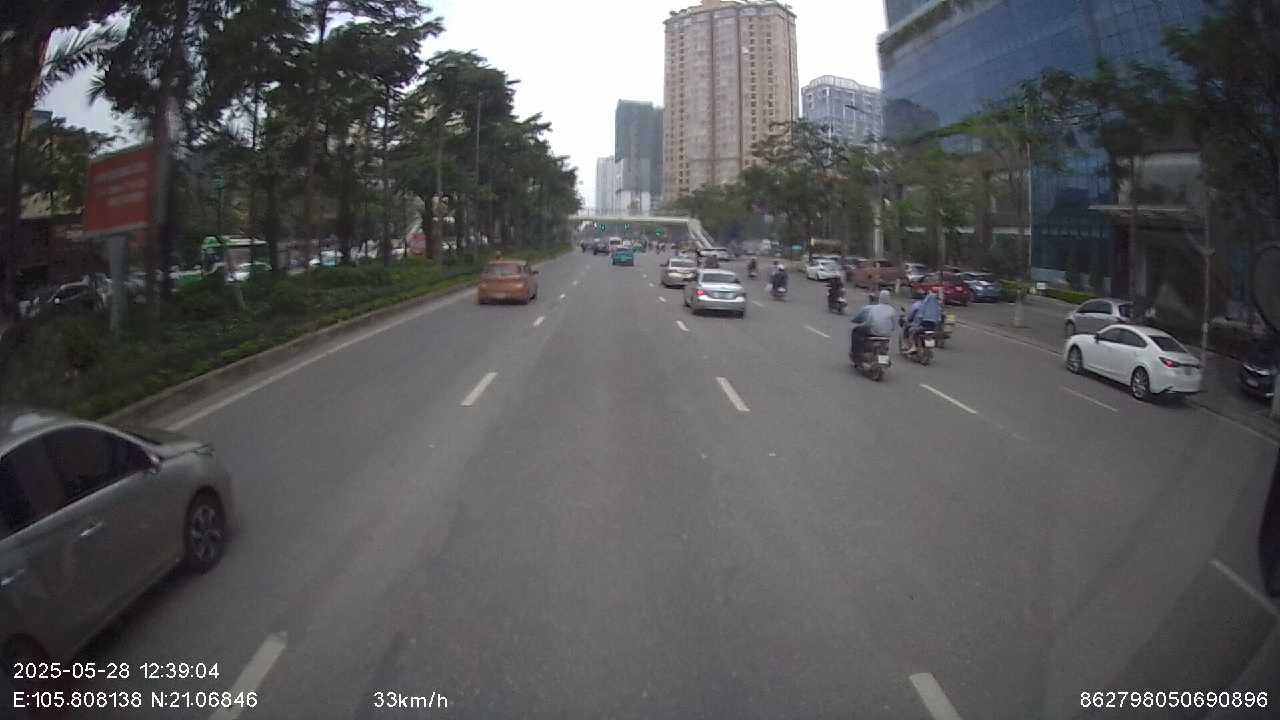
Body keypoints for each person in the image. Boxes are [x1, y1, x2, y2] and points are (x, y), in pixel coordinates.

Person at [849, 289, 898, 358]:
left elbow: (869, 322)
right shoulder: (892, 309)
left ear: (880, 298)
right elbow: (893, 326)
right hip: (887, 335)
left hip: (874, 331)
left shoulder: (873, 308)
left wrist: (862, 324)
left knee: (856, 331)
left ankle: (856, 353)